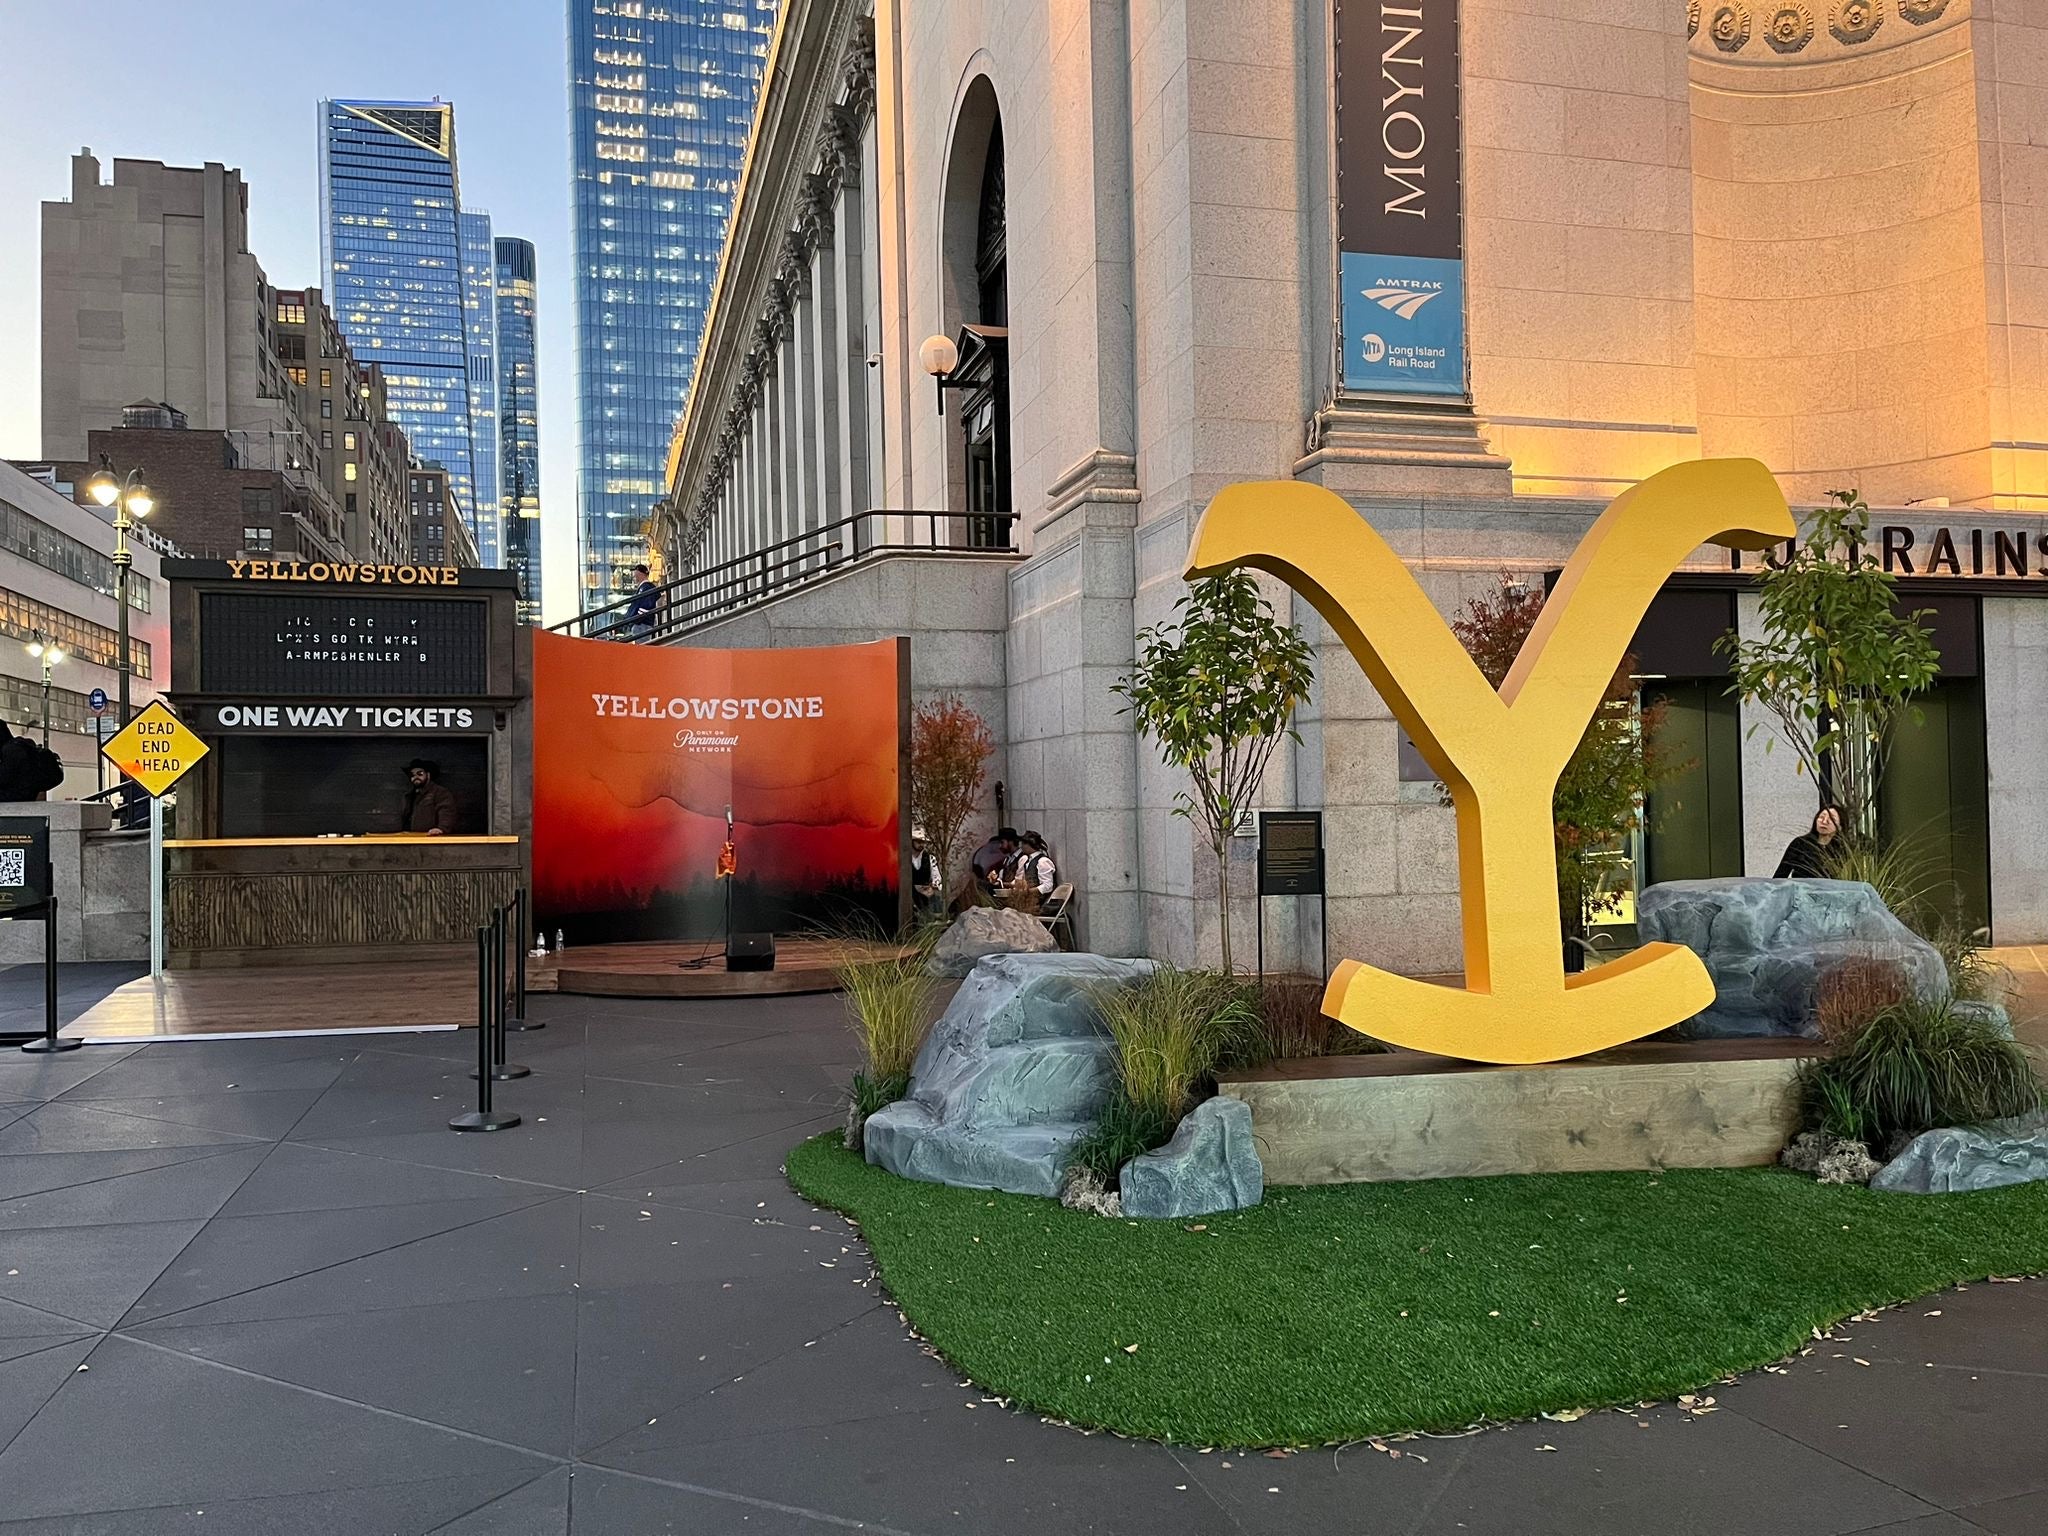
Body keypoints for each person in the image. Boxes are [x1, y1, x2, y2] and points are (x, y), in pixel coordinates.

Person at [1775, 804, 1843, 879]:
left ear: (1840, 826)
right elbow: (1780, 876)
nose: (1824, 821)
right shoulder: (1800, 843)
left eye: (1832, 819)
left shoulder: (1843, 850)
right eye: (1821, 817)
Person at [402, 759, 459, 836]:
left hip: (432, 839)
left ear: (428, 775)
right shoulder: (409, 796)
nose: (416, 777)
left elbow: (447, 811)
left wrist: (441, 828)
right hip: (411, 838)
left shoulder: (440, 792)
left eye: (420, 774)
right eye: (412, 775)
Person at [909, 827, 943, 920]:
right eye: (918, 842)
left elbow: (937, 878)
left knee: (935, 906)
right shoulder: (904, 858)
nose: (921, 844)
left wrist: (933, 885)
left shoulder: (930, 858)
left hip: (925, 892)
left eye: (923, 842)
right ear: (912, 842)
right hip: (909, 893)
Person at [971, 826, 1019, 891]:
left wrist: (999, 883)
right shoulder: (1007, 858)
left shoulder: (1021, 857)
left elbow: (1018, 883)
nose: (1000, 846)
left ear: (1010, 842)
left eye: (1002, 842)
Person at [622, 564, 660, 638]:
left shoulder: (646, 588)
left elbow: (645, 607)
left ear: (640, 573)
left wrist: (635, 619)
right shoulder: (645, 588)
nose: (634, 577)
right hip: (641, 624)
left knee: (642, 646)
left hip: (642, 625)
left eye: (635, 574)